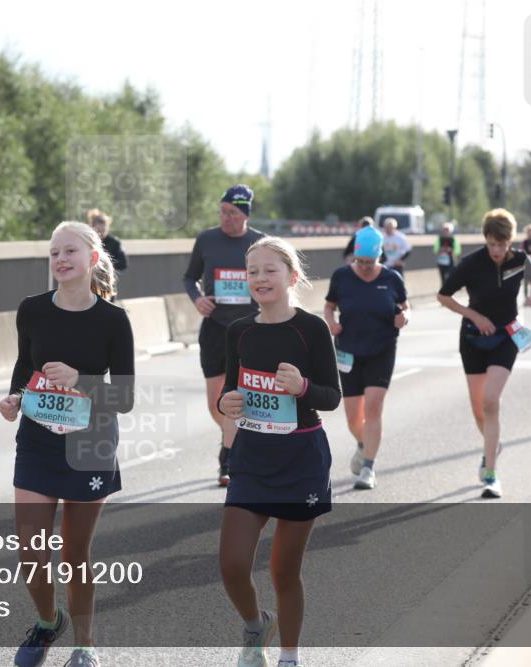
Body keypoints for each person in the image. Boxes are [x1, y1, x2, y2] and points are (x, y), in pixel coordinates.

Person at [0, 221, 134, 667]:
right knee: (30, 548)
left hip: (89, 443)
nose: (60, 259)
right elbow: (24, 365)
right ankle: (46, 620)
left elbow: (126, 397)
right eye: (54, 252)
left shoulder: (114, 320)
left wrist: (83, 382)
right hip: (38, 439)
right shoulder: (32, 309)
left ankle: (84, 645)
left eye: (69, 251)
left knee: (75, 554)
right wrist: (16, 397)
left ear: (92, 260)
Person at [217, 236, 340, 667]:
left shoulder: (311, 329)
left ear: (292, 276)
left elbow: (331, 396)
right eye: (252, 272)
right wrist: (225, 404)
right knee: (232, 565)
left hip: (300, 460)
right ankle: (256, 624)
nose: (260, 278)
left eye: (270, 270)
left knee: (283, 571)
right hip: (251, 459)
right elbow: (231, 392)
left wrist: (302, 387)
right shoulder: (239, 331)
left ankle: (289, 656)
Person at [437, 209, 531, 498]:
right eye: (491, 244)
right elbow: (443, 296)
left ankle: (492, 474)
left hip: (505, 337)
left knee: (491, 401)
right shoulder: (472, 263)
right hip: (472, 338)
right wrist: (474, 316)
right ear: (486, 240)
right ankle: (492, 445)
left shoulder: (520, 259)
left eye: (501, 244)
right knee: (478, 408)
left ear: (510, 241)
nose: (496, 250)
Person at [183, 185, 265, 486]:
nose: (225, 218)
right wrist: (197, 299)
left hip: (250, 329)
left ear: (244, 214)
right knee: (214, 402)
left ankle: (228, 458)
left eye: (231, 213)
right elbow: (189, 277)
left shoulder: (260, 243)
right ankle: (233, 434)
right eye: (222, 212)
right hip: (216, 329)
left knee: (239, 396)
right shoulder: (207, 239)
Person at [324, 226, 409, 490]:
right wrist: (330, 322)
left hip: (382, 349)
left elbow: (405, 307)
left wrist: (404, 317)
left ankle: (368, 468)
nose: (363, 267)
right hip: (348, 350)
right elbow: (329, 306)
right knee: (352, 418)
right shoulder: (341, 277)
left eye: (369, 262)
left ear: (379, 257)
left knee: (373, 407)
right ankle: (364, 444)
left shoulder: (392, 279)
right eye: (359, 261)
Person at [88, 209, 127, 301]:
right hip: (88, 285)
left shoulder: (114, 243)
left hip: (107, 285)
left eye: (105, 224)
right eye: (100, 224)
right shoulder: (88, 242)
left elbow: (123, 264)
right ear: (93, 226)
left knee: (107, 311)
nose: (103, 227)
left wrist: (105, 266)